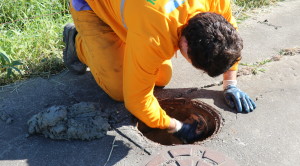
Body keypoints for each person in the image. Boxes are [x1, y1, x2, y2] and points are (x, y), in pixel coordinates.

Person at [63, 0, 256, 143]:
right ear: (185, 43)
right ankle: (76, 42)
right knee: (118, 89)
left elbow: (230, 41)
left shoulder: (216, 3)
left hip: (138, 15)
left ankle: (122, 45)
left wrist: (230, 84)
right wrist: (175, 126)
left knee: (161, 76)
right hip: (94, 8)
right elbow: (137, 100)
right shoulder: (154, 36)